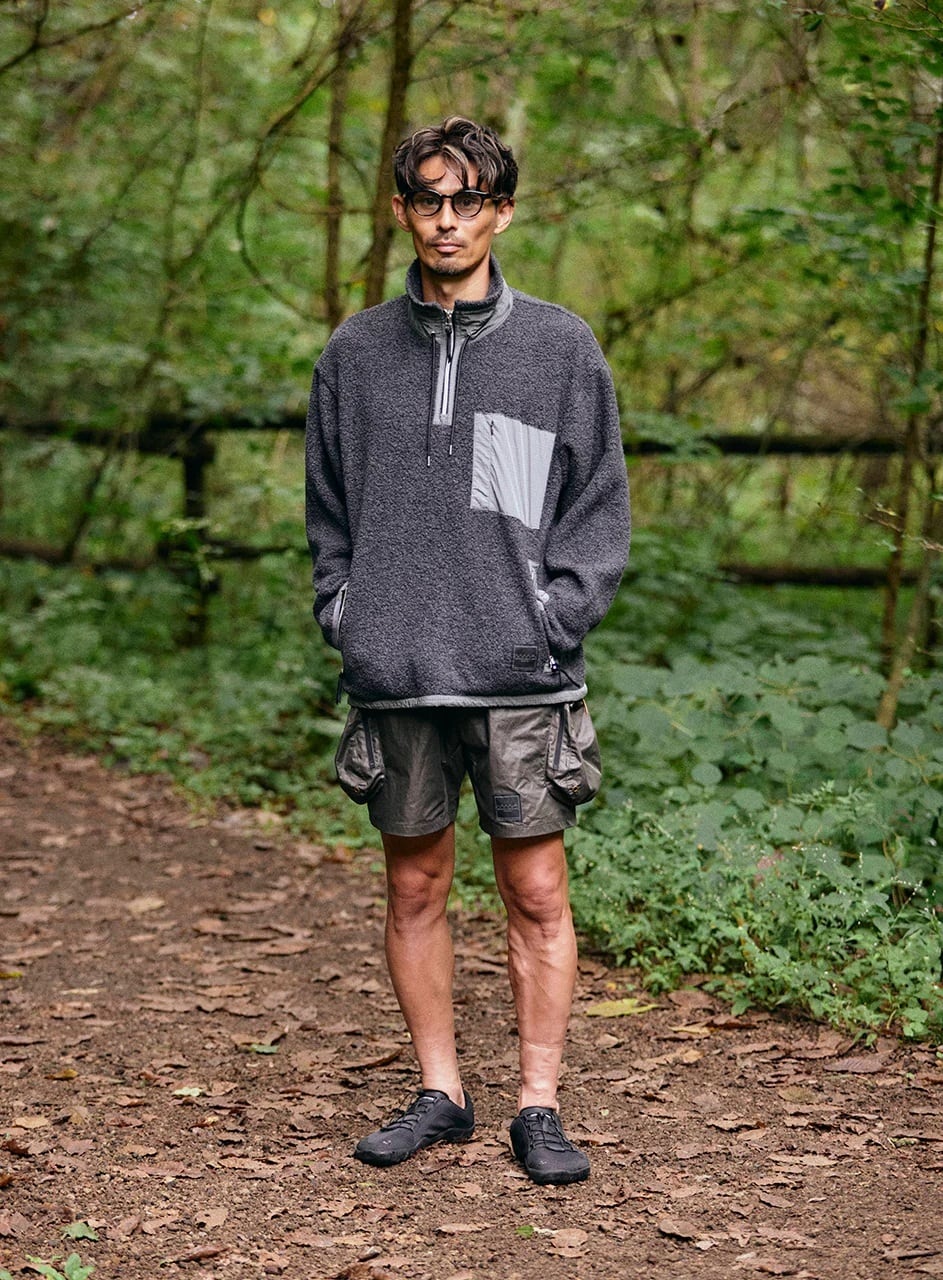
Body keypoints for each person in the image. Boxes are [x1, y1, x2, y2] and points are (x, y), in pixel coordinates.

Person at [305, 116, 630, 1186]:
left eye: (468, 200)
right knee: (414, 888)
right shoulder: (354, 354)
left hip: (520, 675)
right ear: (403, 210)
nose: (448, 220)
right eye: (428, 200)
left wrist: (551, 615)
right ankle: (441, 1091)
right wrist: (347, 611)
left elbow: (593, 507)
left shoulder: (557, 349)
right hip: (397, 668)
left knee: (536, 891)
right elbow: (328, 511)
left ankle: (539, 1103)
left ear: (501, 211)